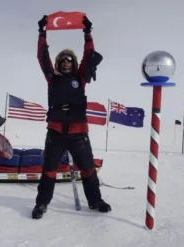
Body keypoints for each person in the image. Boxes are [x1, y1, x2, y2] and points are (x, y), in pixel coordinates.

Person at [32, 15, 111, 219]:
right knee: (49, 171)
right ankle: (41, 204)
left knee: (87, 169)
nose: (66, 62)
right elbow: (43, 57)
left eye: (69, 59)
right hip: (56, 133)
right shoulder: (52, 78)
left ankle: (95, 200)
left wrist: (87, 33)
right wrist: (42, 33)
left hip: (79, 134)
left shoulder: (80, 78)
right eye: (63, 60)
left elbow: (88, 55)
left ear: (74, 63)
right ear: (59, 63)